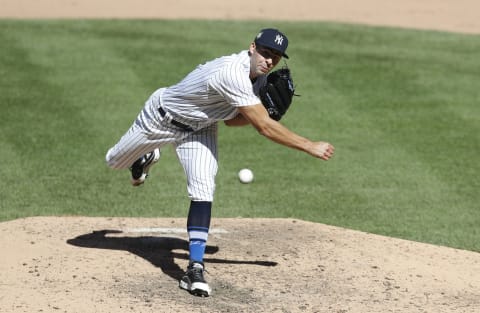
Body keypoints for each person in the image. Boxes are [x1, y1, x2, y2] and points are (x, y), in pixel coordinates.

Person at [105, 28, 334, 297]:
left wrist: (266, 110)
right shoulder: (231, 73)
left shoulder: (258, 79)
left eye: (276, 57)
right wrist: (309, 145)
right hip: (160, 119)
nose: (270, 61)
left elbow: (231, 120)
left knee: (203, 188)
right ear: (252, 47)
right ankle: (144, 156)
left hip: (200, 128)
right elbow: (263, 127)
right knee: (115, 161)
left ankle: (195, 267)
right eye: (266, 53)